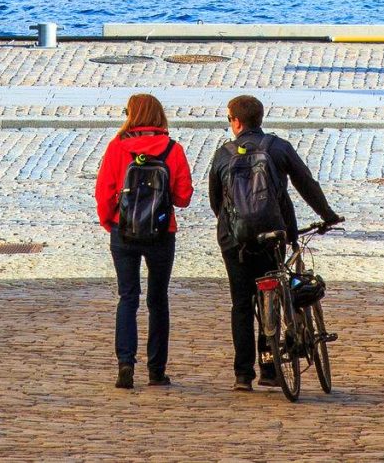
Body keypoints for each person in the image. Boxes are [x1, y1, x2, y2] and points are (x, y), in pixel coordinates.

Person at [205, 93, 342, 391]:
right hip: (274, 236)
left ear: (236, 122)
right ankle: (270, 366)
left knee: (241, 303)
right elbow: (306, 183)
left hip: (235, 241)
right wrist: (327, 215)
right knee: (274, 294)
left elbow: (216, 201)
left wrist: (235, 226)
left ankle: (243, 375)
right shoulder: (277, 147)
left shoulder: (223, 154)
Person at [93, 92, 193, 390]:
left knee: (128, 297)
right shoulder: (172, 149)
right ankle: (156, 370)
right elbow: (184, 197)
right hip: (161, 234)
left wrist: (110, 221)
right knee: (157, 300)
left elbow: (103, 191)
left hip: (123, 231)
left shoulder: (117, 147)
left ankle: (125, 364)